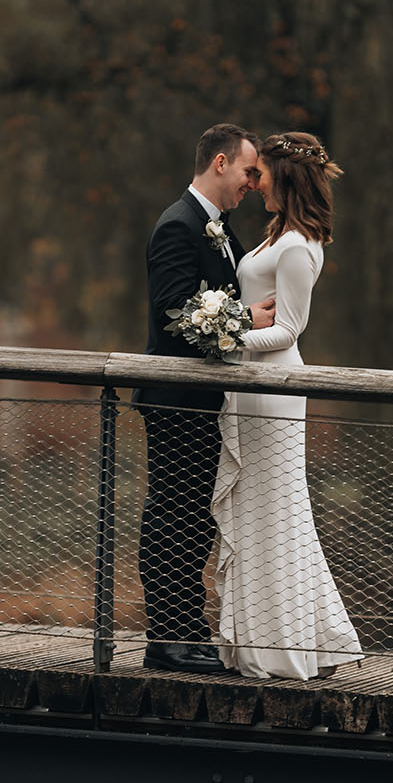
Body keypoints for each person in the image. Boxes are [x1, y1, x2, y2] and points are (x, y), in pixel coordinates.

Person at [211, 131, 363, 681]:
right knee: (258, 509)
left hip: (271, 389)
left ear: (286, 176)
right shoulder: (277, 237)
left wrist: (224, 343)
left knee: (274, 508)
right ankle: (268, 635)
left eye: (261, 174)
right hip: (251, 386)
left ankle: (280, 644)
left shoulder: (298, 246)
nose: (253, 183)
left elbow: (289, 330)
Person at [137, 123, 276, 673]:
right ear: (220, 163)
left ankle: (188, 627)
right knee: (173, 514)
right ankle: (165, 639)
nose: (251, 183)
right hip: (176, 398)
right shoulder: (178, 226)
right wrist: (244, 322)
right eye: (247, 172)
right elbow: (175, 312)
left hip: (203, 400)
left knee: (195, 517)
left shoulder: (216, 228)